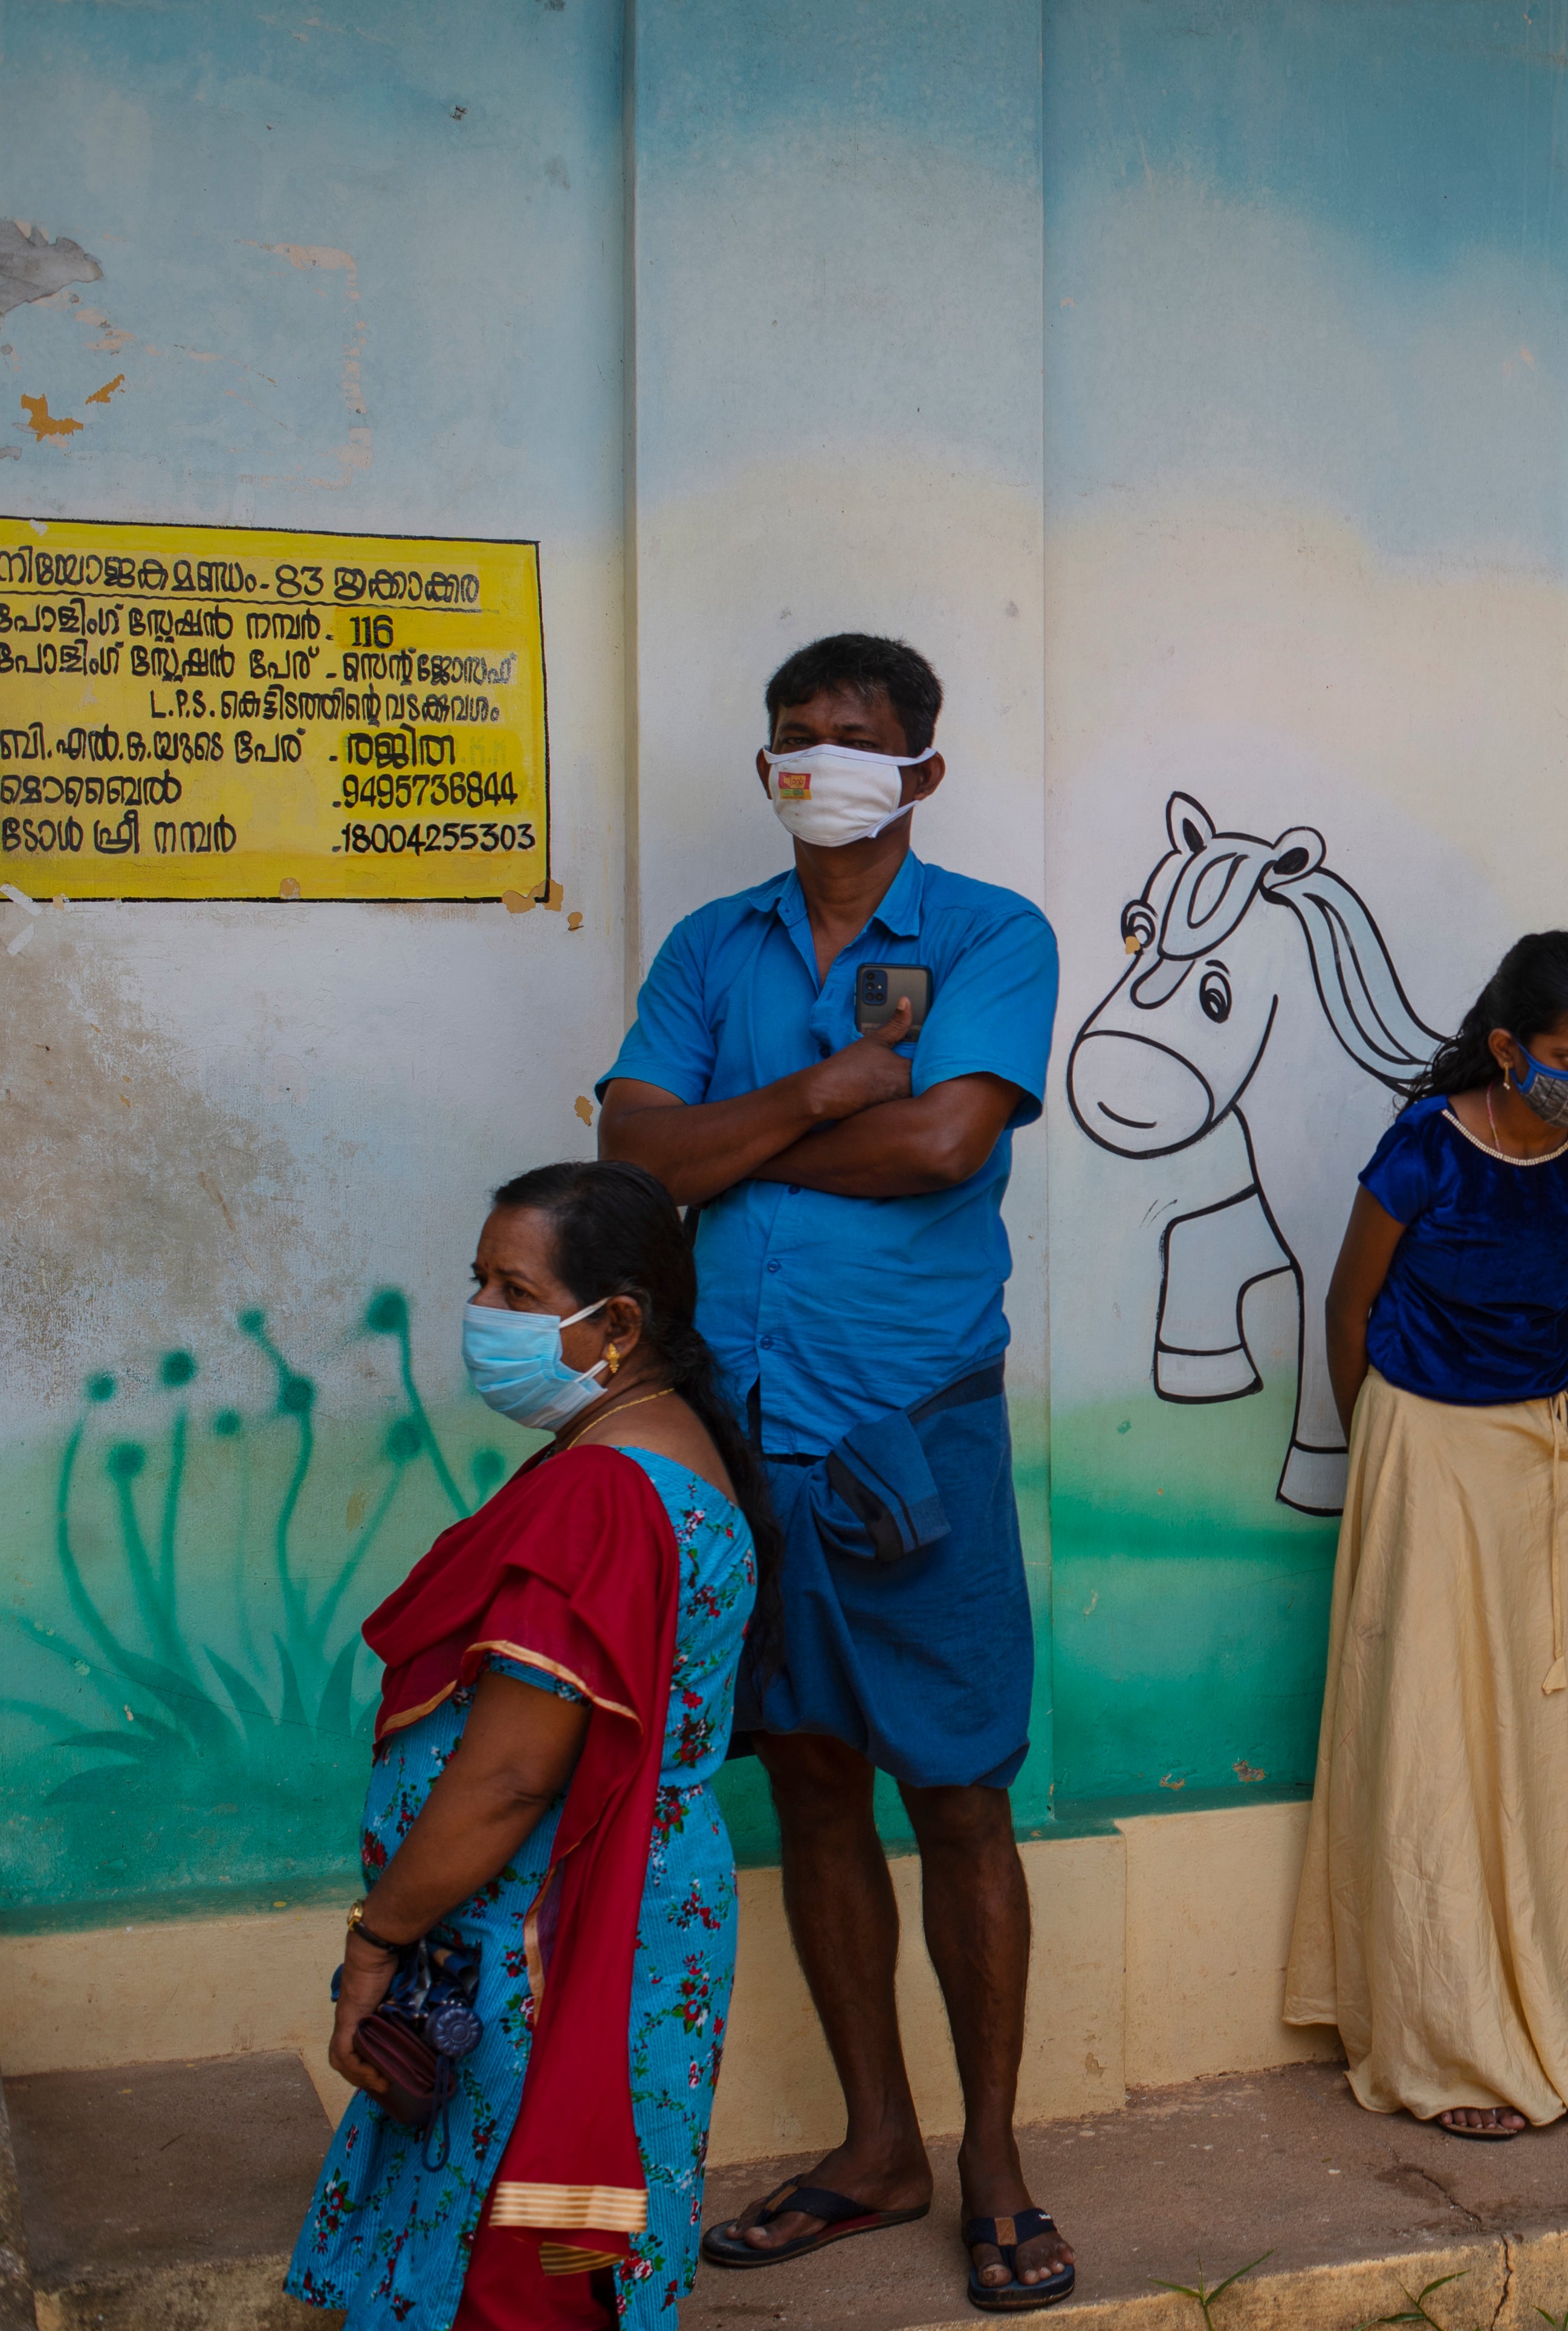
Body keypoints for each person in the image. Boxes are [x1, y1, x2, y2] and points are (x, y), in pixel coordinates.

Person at [594, 635, 1072, 2309]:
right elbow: (630, 1153)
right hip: (741, 1422)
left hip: (909, 1422)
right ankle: (877, 2147)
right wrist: (821, 1090)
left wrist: (735, 1131)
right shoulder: (710, 948)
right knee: (805, 1775)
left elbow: (949, 1139)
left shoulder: (994, 935)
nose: (820, 764)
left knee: (956, 1792)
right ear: (766, 767)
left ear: (919, 772)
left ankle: (993, 2156)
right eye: (793, 739)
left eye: (853, 741)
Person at [288, 1159, 768, 2331]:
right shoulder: (659, 1444)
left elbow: (508, 1775)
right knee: (548, 2243)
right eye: (479, 1282)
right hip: (612, 1908)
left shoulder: (603, 1489)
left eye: (513, 1289)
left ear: (616, 1321)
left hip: (550, 1932)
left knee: (512, 2259)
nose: (483, 1316)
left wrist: (375, 1941)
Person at [1285, 931, 1568, 2139]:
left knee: (1529, 1717)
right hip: (1421, 1443)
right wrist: (1382, 1438)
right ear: (1511, 1046)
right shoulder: (1426, 1146)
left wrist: (1525, 1399)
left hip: (1533, 1441)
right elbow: (1349, 1297)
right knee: (1427, 1725)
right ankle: (1449, 2040)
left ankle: (1552, 1995)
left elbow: (1566, 1280)